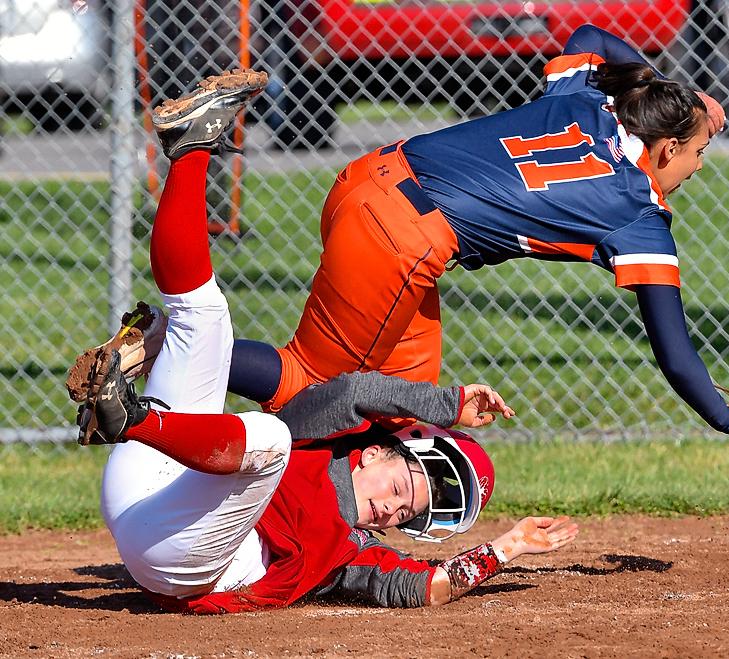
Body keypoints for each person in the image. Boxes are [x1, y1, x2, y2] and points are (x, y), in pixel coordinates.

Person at [71, 70, 579, 614]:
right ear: (378, 453)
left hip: (184, 563)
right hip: (150, 489)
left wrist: (509, 547)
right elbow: (357, 390)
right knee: (206, 317)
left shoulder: (350, 553)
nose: (391, 513)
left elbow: (426, 586)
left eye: (406, 517)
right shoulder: (321, 436)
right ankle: (191, 148)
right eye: (402, 492)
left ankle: (128, 418)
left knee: (267, 438)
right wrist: (448, 405)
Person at [224, 24, 729, 435]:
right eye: (697, 151)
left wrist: (674, 94)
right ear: (668, 149)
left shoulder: (589, 100)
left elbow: (590, 35)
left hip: (367, 178)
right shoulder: (638, 214)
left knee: (401, 404)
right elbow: (673, 351)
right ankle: (162, 347)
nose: (697, 165)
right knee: (313, 384)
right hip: (401, 236)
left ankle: (340, 521)